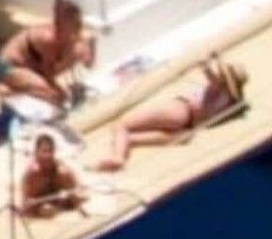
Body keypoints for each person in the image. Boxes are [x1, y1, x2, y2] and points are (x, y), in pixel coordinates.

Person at [93, 57, 249, 170]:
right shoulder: (228, 101)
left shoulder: (219, 89)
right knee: (132, 138)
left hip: (180, 110)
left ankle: (117, 156)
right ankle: (123, 149)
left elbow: (211, 76)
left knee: (121, 125)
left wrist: (206, 63)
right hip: (187, 126)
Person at [0, 0, 96, 106]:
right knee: (53, 95)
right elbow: (47, 73)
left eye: (77, 22)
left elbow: (88, 64)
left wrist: (91, 45)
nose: (77, 25)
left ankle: (28, 88)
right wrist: (59, 92)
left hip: (37, 65)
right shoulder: (47, 38)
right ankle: (12, 91)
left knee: (76, 51)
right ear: (59, 21)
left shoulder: (74, 35)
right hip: (14, 66)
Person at [18, 131, 82, 218]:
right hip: (39, 206)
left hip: (60, 202)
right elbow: (26, 205)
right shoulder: (33, 174)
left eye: (50, 151)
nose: (47, 155)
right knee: (46, 209)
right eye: (44, 151)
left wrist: (74, 197)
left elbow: (76, 191)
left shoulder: (62, 171)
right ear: (36, 153)